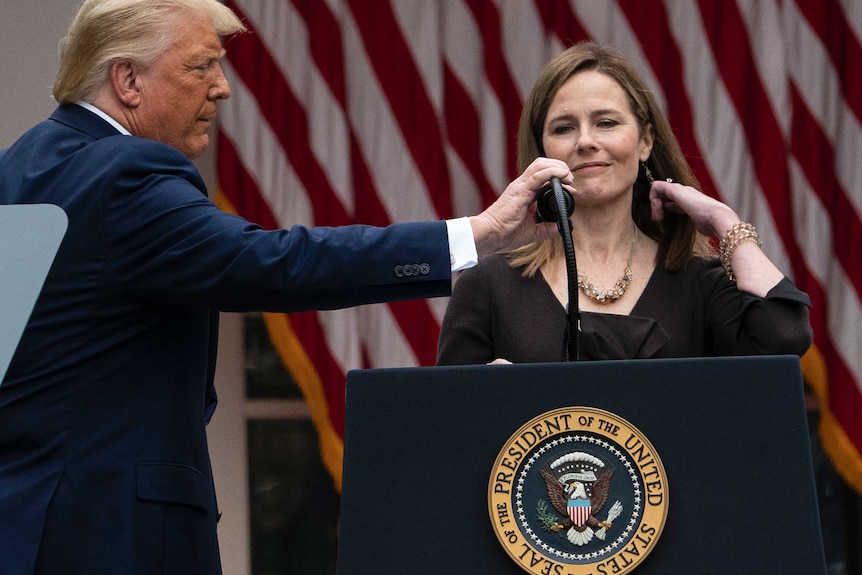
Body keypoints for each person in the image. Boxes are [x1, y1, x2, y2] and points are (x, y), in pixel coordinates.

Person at [0, 1, 574, 573]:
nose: (221, 89)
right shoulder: (124, 175)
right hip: (110, 534)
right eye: (201, 67)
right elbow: (274, 262)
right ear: (127, 80)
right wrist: (478, 234)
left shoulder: (23, 164)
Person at [437, 41, 812, 365]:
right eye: (564, 128)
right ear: (542, 151)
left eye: (606, 123)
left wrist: (726, 222)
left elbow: (784, 337)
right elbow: (447, 429)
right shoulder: (489, 286)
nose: (585, 141)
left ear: (645, 141)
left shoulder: (698, 283)